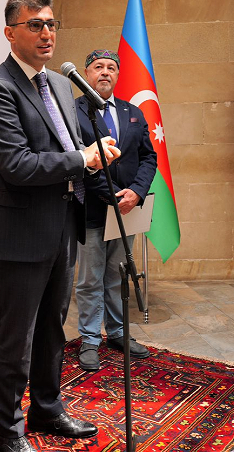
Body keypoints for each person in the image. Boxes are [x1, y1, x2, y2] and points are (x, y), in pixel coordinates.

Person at [0, 0, 120, 452]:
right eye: (34, 25)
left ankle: (47, 408)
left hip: (63, 225)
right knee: (18, 336)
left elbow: (69, 151)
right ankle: (9, 431)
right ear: (10, 32)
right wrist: (83, 158)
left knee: (54, 326)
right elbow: (17, 165)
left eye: (51, 24)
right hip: (21, 232)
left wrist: (93, 161)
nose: (46, 33)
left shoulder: (58, 83)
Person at [75, 50, 157, 370]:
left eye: (111, 67)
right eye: (98, 67)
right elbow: (77, 160)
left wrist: (136, 192)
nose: (105, 72)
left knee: (117, 274)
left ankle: (118, 333)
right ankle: (89, 339)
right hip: (93, 209)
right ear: (86, 73)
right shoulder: (73, 112)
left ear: (118, 75)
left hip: (127, 210)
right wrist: (110, 194)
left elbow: (148, 157)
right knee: (90, 278)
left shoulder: (132, 111)